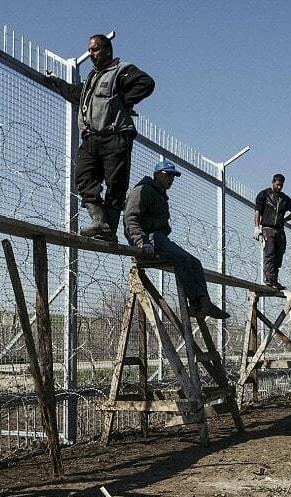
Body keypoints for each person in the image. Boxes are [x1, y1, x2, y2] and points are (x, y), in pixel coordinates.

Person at [43, 34, 155, 243]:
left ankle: (109, 229)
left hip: (115, 135)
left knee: (116, 184)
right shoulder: (92, 78)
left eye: (95, 49)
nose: (91, 54)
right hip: (91, 138)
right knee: (84, 178)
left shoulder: (121, 71)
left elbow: (146, 83)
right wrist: (56, 82)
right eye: (90, 50)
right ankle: (99, 221)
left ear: (107, 50)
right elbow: (76, 95)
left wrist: (122, 101)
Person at [123, 160, 229, 320]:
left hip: (159, 238)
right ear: (157, 174)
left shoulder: (159, 195)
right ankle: (196, 302)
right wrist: (141, 242)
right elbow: (130, 218)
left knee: (195, 262)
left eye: (173, 176)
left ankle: (203, 302)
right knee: (182, 259)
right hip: (148, 239)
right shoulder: (143, 190)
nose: (171, 179)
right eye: (168, 175)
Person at [253, 174, 291, 289]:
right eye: (277, 184)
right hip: (268, 229)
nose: (279, 187)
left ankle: (274, 279)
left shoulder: (284, 198)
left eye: (281, 185)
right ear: (272, 182)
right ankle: (269, 279)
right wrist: (257, 227)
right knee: (270, 253)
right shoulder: (264, 195)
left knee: (279, 253)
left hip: (279, 229)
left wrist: (285, 220)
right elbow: (257, 211)